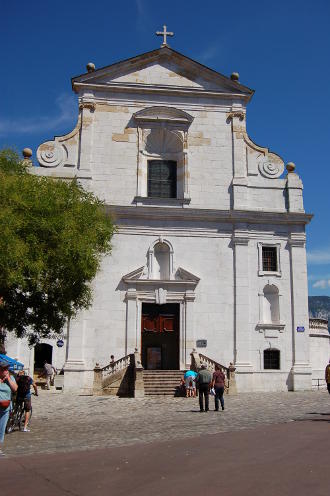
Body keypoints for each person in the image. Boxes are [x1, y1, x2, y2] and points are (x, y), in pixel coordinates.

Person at [0, 360, 17, 457]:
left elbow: (15, 389)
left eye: (7, 368)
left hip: (5, 408)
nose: (6, 370)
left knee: (1, 429)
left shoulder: (10, 378)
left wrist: (8, 379)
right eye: (4, 369)